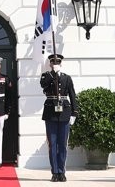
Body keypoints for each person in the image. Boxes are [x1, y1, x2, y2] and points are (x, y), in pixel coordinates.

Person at [40, 54, 78, 182]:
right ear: (50, 64)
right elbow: (43, 85)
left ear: (61, 63)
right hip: (51, 112)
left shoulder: (67, 78)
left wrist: (74, 112)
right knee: (52, 144)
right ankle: (54, 172)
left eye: (57, 62)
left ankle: (62, 171)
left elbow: (72, 95)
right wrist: (53, 74)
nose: (55, 64)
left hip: (64, 112)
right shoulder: (46, 76)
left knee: (62, 144)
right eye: (53, 62)